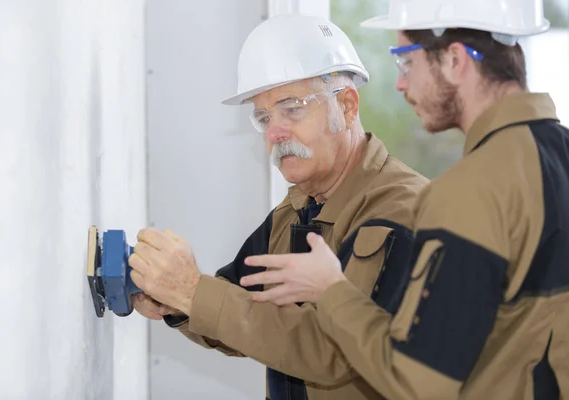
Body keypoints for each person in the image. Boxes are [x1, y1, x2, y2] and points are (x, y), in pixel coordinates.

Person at [241, 0, 569, 399]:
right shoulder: (557, 157)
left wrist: (331, 290)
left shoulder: (471, 190)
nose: (400, 84)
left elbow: (421, 381)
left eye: (406, 62)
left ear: (454, 60)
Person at [127, 13, 428, 400]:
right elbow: (248, 311)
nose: (274, 132)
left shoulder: (401, 213)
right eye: (263, 117)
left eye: (292, 108)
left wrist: (192, 293)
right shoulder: (296, 211)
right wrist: (173, 301)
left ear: (348, 106)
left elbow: (334, 350)